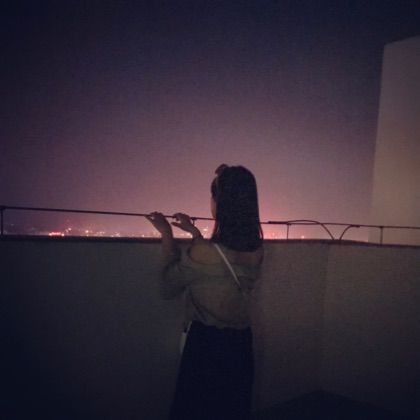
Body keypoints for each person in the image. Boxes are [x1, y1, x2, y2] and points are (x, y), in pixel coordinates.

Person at [146, 164, 264, 420]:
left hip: (208, 346)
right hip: (240, 343)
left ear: (221, 203)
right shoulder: (257, 249)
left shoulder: (204, 253)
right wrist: (195, 233)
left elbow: (167, 286)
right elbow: (221, 262)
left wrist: (166, 234)